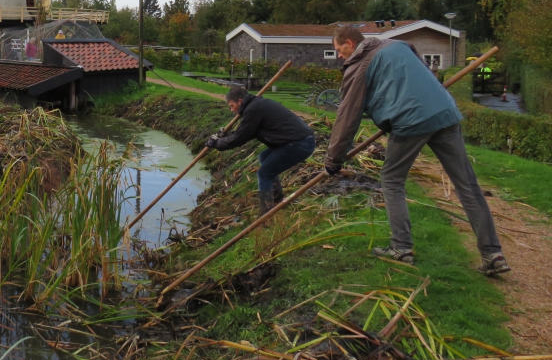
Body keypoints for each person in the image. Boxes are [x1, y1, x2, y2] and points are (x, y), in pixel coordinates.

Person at [324, 25, 509, 276]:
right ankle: (492, 253)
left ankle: (401, 247)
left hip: (411, 121)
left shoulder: (359, 66)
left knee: (391, 180)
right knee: (467, 184)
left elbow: (348, 117)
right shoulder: (397, 45)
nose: (338, 56)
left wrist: (334, 159)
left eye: (338, 50)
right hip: (444, 112)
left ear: (348, 42)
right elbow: (424, 74)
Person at [205, 85, 316, 213]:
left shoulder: (253, 109)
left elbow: (240, 137)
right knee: (264, 157)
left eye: (231, 106)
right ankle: (277, 200)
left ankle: (266, 214)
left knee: (264, 173)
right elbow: (245, 132)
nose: (231, 110)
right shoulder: (255, 106)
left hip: (299, 144)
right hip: (297, 141)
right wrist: (224, 137)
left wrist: (217, 143)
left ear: (240, 101)